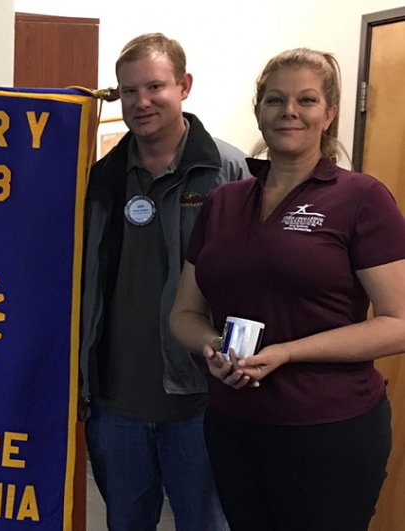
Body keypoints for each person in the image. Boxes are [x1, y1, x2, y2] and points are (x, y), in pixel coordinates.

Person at [169, 47, 405, 531]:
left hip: (329, 429)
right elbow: (184, 314)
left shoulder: (361, 198)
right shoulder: (223, 201)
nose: (289, 112)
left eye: (307, 100)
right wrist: (213, 347)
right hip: (234, 423)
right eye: (275, 100)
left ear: (330, 113)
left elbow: (398, 324)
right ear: (258, 109)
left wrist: (286, 353)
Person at [80, 33, 249, 531]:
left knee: (205, 523)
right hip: (115, 404)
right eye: (128, 91)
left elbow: (251, 280)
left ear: (185, 85)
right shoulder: (99, 179)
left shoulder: (228, 172)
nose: (141, 102)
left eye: (155, 87)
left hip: (199, 401)